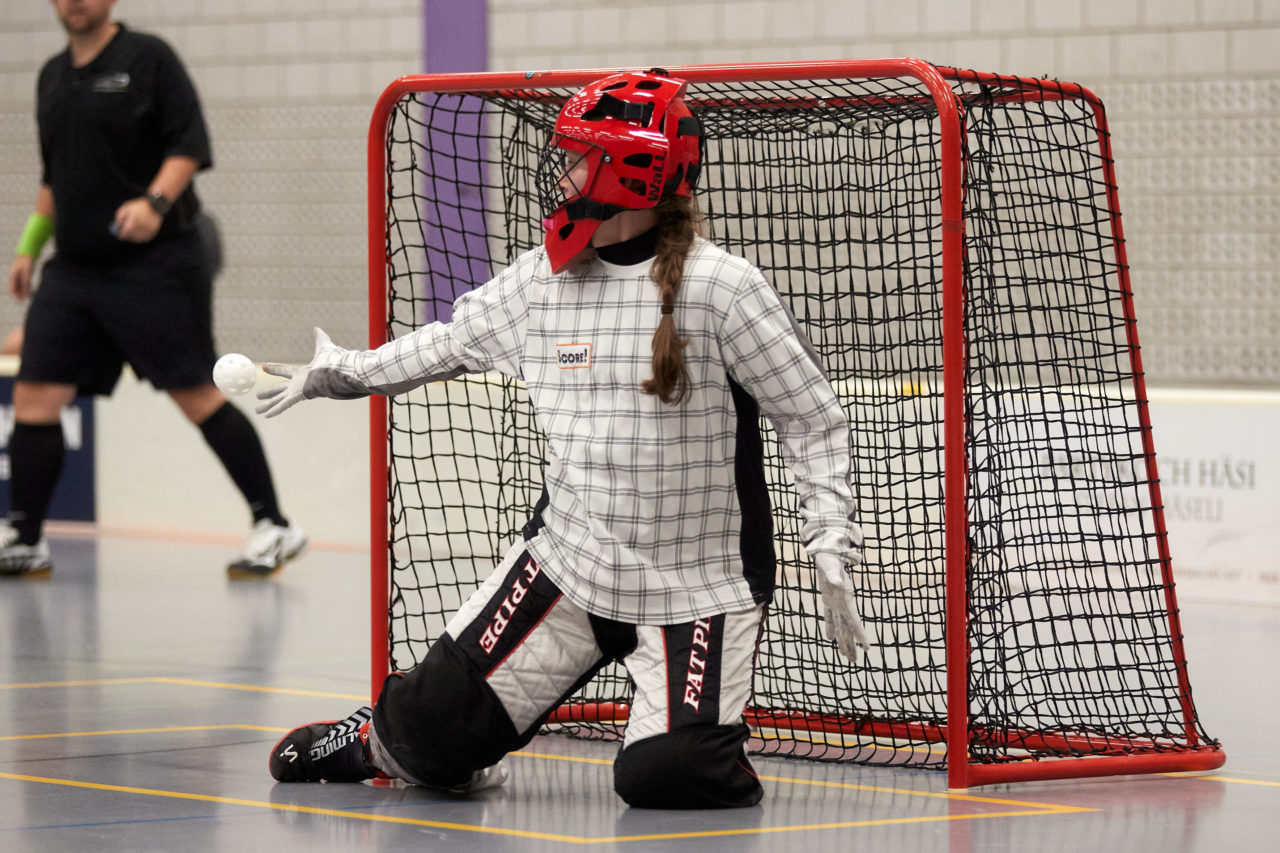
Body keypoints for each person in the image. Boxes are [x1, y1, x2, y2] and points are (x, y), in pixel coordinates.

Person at [259, 70, 869, 808]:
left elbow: (813, 417)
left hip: (698, 585)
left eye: (580, 154)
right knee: (427, 734)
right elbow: (443, 344)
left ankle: (688, 728)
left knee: (669, 776)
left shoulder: (723, 288)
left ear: (627, 168)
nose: (565, 169)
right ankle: (371, 740)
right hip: (571, 565)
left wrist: (828, 536)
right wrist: (339, 373)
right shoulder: (541, 283)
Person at [1, 0, 304, 579]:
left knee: (195, 394)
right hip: (74, 268)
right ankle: (27, 536)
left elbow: (187, 146)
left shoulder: (148, 59)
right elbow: (53, 176)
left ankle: (276, 525)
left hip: (156, 265)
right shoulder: (50, 76)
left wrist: (155, 203)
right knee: (35, 396)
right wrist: (27, 248)